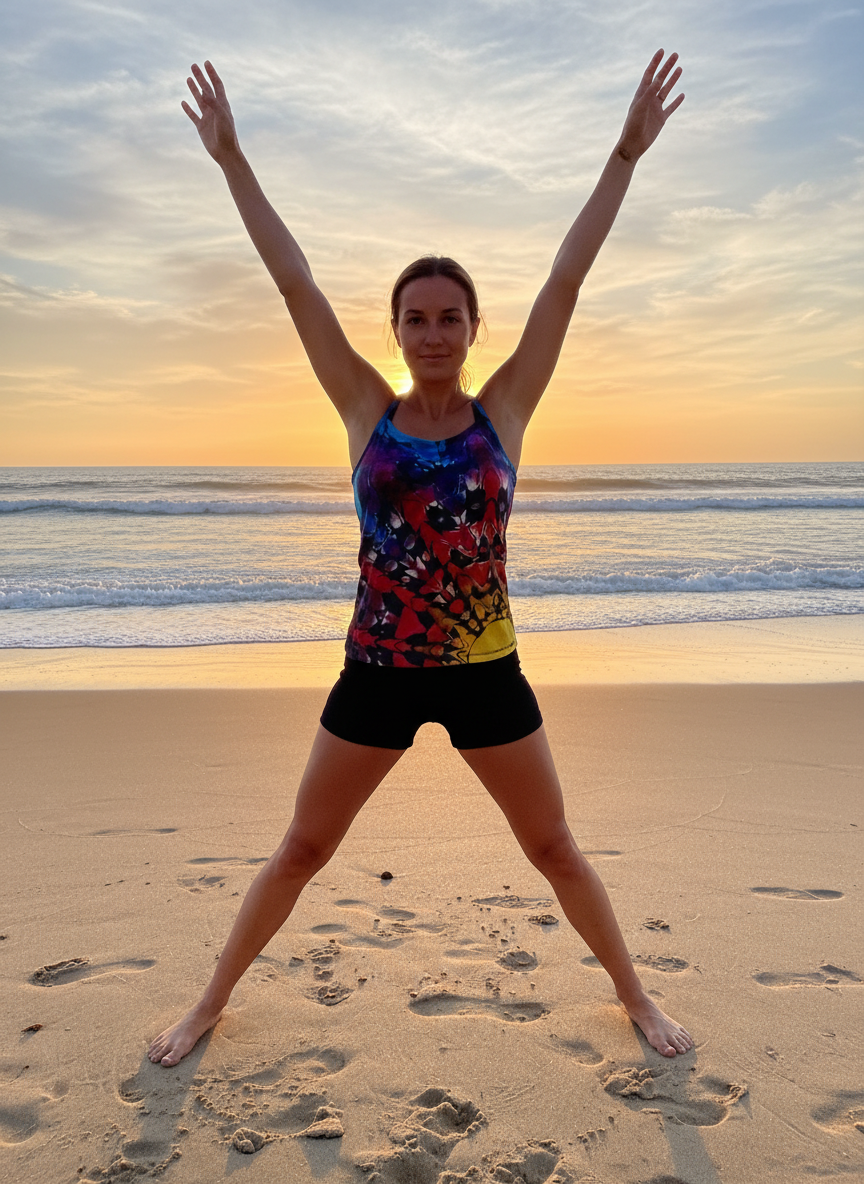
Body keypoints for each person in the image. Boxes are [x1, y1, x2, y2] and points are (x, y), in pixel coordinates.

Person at [149, 50, 692, 1067]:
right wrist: (231, 161)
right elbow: (294, 282)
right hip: (377, 671)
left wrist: (624, 154)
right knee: (303, 848)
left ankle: (636, 997)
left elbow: (567, 280)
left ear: (474, 328)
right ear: (395, 331)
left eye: (450, 317)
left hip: (488, 672)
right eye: (415, 317)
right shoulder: (366, 408)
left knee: (553, 847)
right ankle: (208, 1003)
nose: (433, 332)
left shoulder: (505, 411)